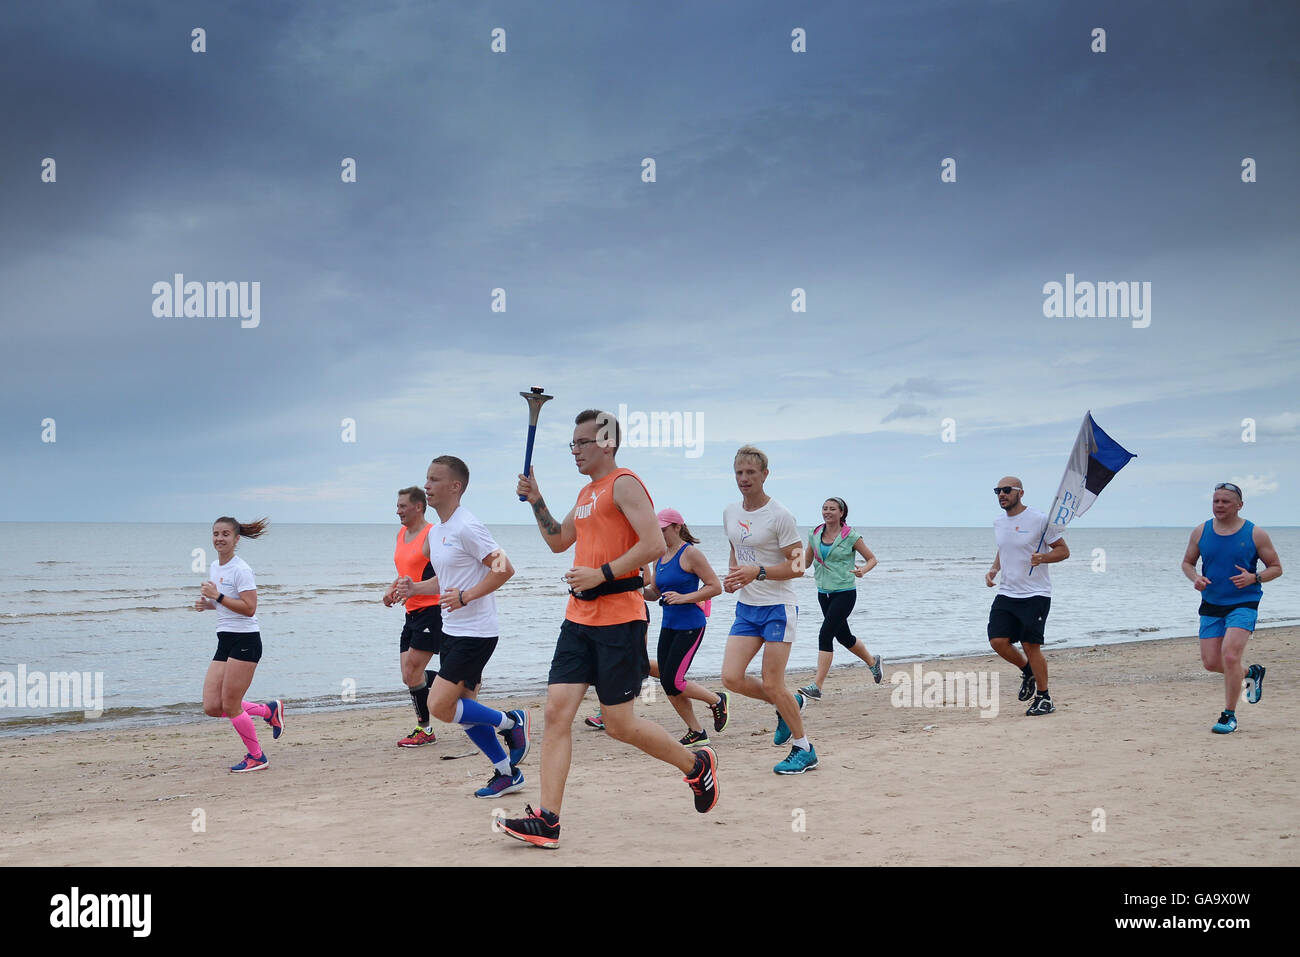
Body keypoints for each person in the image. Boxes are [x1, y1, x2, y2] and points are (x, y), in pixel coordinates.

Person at [501, 409, 719, 848]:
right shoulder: (586, 493)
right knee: (555, 714)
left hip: (620, 620)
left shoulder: (624, 483)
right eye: (572, 444)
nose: (575, 451)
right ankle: (548, 820)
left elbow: (653, 544)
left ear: (607, 443)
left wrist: (601, 573)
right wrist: (537, 498)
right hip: (577, 620)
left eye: (581, 443)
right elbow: (557, 541)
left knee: (620, 725)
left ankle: (696, 765)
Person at [394, 456, 530, 797]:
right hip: (452, 630)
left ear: (455, 487)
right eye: (426, 478)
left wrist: (467, 597)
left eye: (434, 480)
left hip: (477, 632)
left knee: (440, 706)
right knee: (466, 712)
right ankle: (505, 772)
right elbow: (447, 579)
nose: (427, 485)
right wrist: (415, 588)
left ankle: (513, 722)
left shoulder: (468, 526)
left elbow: (504, 568)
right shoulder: (437, 532)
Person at [719, 445, 816, 775]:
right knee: (731, 677)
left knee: (773, 683)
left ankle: (804, 748)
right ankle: (789, 704)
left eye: (751, 473)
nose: (744, 479)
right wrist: (734, 576)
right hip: (747, 607)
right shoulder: (731, 512)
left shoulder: (780, 515)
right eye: (739, 473)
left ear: (764, 475)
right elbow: (738, 552)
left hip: (778, 606)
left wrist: (758, 571)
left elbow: (799, 565)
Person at [1180, 482, 1283, 734]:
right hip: (1212, 603)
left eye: (1225, 501)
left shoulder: (1255, 533)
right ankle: (1251, 672)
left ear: (1239, 505)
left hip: (1243, 602)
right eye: (1216, 501)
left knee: (1229, 656)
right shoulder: (1201, 531)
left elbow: (1276, 568)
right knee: (1211, 662)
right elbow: (1186, 563)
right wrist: (1196, 578)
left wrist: (1254, 578)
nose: (1219, 505)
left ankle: (1229, 715)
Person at [195, 516, 284, 772]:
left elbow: (249, 608)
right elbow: (225, 603)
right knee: (213, 705)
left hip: (246, 641)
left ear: (236, 539)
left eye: (225, 534)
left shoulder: (241, 569)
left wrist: (218, 596)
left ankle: (257, 757)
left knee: (231, 705)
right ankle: (268, 711)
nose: (219, 538)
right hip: (224, 640)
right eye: (215, 534)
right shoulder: (215, 566)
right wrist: (209, 604)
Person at [642, 508, 728, 747]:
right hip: (669, 625)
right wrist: (637, 591)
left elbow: (714, 586)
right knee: (668, 682)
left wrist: (684, 597)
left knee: (674, 681)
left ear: (677, 527)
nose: (659, 533)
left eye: (663, 529)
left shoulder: (691, 554)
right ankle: (697, 731)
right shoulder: (658, 556)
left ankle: (717, 700)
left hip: (691, 625)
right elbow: (655, 593)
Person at [985, 478, 1069, 716]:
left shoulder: (1040, 520)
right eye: (997, 491)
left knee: (1030, 645)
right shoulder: (998, 522)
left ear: (1020, 493)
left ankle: (1045, 698)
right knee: (997, 641)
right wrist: (994, 570)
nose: (1001, 494)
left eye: (1006, 490)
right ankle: (1028, 670)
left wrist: (1043, 558)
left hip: (1036, 593)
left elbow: (1063, 551)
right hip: (1007, 592)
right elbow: (1004, 548)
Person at [798, 497, 882, 700]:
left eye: (832, 509)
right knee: (844, 637)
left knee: (825, 634)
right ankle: (873, 662)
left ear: (841, 513)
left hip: (844, 593)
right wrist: (783, 567)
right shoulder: (815, 533)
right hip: (823, 593)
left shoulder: (850, 536)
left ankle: (817, 686)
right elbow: (806, 562)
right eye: (825, 508)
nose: (827, 512)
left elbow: (872, 559)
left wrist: (863, 570)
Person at [382, 486, 442, 748]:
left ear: (418, 507)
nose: (398, 511)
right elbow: (406, 572)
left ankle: (425, 729)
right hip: (411, 612)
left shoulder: (433, 535)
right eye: (397, 506)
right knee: (409, 676)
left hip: (433, 611)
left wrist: (416, 589)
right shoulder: (402, 534)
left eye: (402, 506)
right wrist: (392, 589)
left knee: (413, 671)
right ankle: (459, 681)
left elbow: (446, 575)